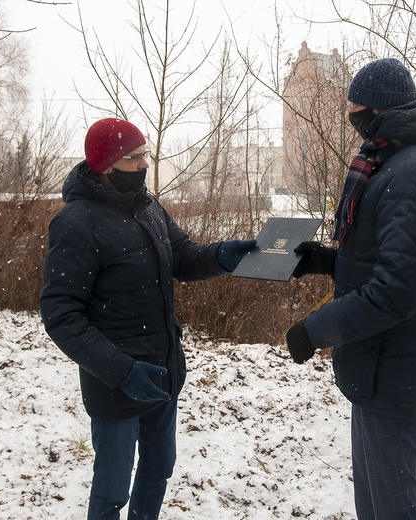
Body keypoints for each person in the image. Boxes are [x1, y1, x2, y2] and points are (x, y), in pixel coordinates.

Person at [38, 118, 256, 520]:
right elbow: (60, 313)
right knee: (112, 491)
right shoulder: (76, 222)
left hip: (162, 372)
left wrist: (224, 254)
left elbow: (183, 257)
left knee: (158, 471)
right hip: (117, 382)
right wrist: (122, 371)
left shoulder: (148, 205)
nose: (143, 164)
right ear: (105, 165)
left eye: (145, 155)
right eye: (133, 157)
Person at [286, 58, 416, 519]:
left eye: (355, 106)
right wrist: (329, 260)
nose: (351, 114)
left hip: (395, 365)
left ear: (380, 109)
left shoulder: (412, 172)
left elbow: (397, 291)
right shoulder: (396, 162)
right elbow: (388, 261)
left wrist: (315, 329)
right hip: (382, 362)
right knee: (379, 499)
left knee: (391, 505)